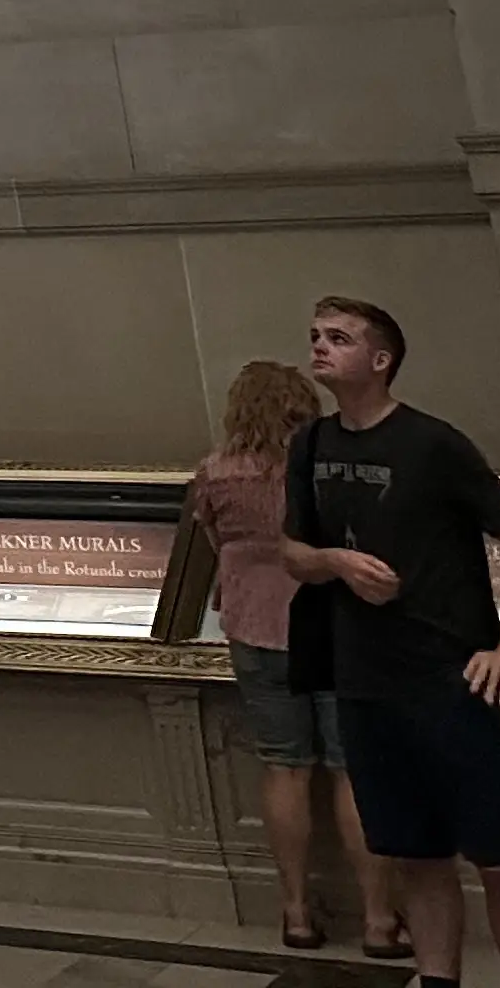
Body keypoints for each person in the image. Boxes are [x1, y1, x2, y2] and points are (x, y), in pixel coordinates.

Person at [281, 296, 500, 988]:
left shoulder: (432, 444)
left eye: (338, 338)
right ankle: (438, 978)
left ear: (380, 361)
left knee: (499, 859)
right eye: (315, 335)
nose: (319, 346)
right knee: (417, 855)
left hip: (448, 677)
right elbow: (292, 551)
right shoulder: (310, 444)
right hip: (367, 681)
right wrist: (336, 564)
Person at [195, 356, 393, 953]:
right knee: (352, 770)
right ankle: (381, 921)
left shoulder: (215, 472)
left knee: (285, 766)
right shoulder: (326, 470)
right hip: (333, 629)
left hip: (254, 631)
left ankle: (297, 913)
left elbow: (212, 543)